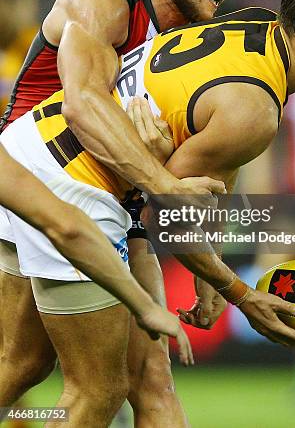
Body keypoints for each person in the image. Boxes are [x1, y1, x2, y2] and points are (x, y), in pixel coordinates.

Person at [0, 0, 295, 426]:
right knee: (99, 391)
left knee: (22, 365)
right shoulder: (255, 109)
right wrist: (239, 295)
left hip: (27, 150)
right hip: (77, 185)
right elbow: (168, 211)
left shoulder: (256, 26)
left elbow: (212, 174)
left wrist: (208, 273)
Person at [0, 0, 266, 427]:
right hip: (35, 190)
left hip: (113, 200)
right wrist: (164, 181)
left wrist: (208, 264)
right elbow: (83, 105)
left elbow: (212, 151)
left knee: (51, 370)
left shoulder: (192, 40)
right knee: (68, 379)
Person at [0, 144, 193, 363]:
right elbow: (68, 230)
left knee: (29, 362)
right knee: (93, 386)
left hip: (81, 176)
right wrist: (145, 307)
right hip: (52, 164)